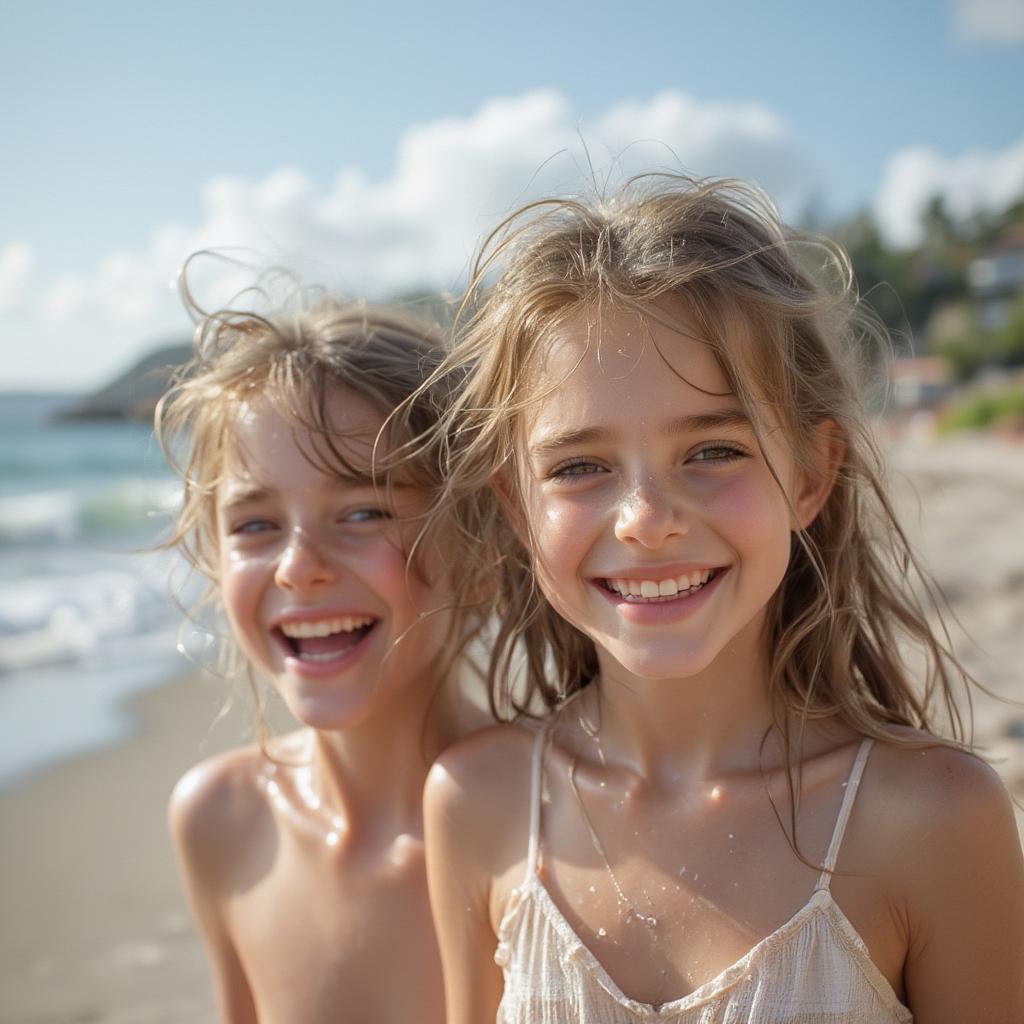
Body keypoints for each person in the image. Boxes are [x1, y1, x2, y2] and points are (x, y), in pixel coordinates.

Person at [422, 176, 1024, 1023]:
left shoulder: (931, 821)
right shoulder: (477, 802)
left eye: (712, 449)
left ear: (811, 475)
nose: (646, 521)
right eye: (579, 466)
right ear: (519, 507)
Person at [158, 297, 485, 1024]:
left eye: (365, 511)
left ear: (483, 548)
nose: (299, 567)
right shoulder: (221, 820)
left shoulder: (552, 826)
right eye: (255, 524)